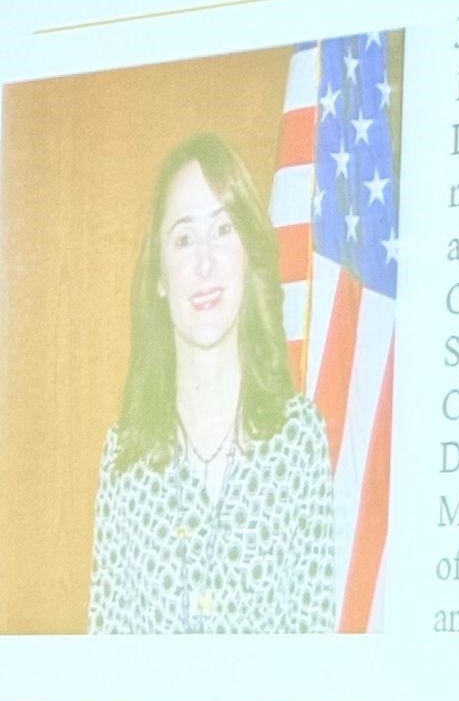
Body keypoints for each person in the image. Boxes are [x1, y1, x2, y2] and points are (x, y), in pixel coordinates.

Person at [89, 132, 334, 633]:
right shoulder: (126, 457)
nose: (204, 263)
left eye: (223, 230)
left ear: (250, 254)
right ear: (160, 275)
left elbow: (314, 647)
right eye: (183, 238)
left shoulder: (300, 440)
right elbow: (107, 659)